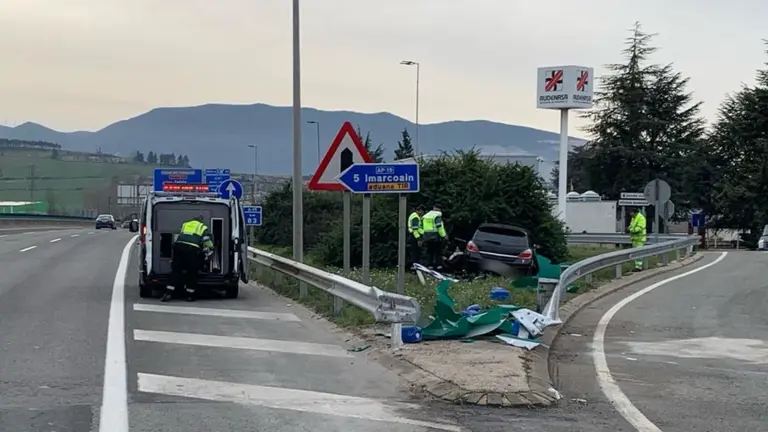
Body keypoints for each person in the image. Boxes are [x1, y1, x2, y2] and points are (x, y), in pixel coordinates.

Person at [162, 215, 214, 302]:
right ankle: (190, 295)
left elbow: (182, 235)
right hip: (191, 249)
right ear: (201, 221)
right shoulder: (202, 226)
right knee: (192, 271)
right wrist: (211, 247)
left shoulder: (185, 224)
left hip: (178, 247)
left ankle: (168, 292)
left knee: (175, 270)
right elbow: (206, 239)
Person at [421, 204, 447, 269]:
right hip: (435, 236)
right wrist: (444, 235)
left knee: (429, 251)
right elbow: (439, 227)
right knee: (438, 251)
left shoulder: (426, 215)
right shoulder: (437, 215)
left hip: (427, 236)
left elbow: (421, 226)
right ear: (439, 209)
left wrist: (423, 234)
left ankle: (430, 265)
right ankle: (438, 265)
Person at [628, 207, 647, 271]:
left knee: (639, 253)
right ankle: (637, 266)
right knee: (636, 253)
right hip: (635, 239)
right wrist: (629, 227)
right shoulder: (634, 218)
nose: (630, 214)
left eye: (631, 213)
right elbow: (632, 225)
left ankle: (639, 267)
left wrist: (630, 229)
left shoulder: (641, 218)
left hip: (640, 239)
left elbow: (639, 228)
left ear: (635, 212)